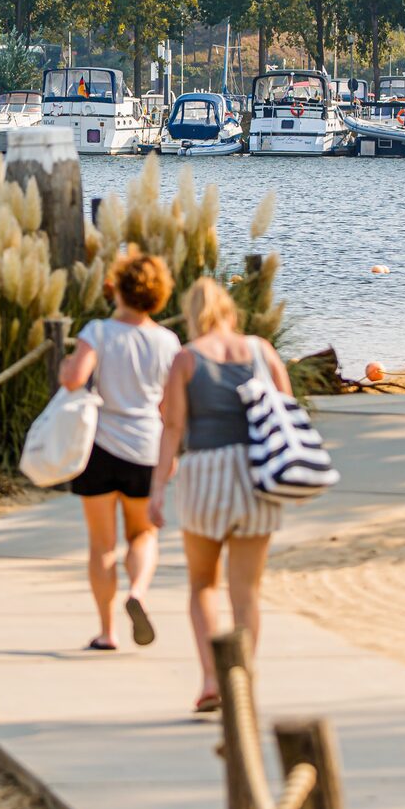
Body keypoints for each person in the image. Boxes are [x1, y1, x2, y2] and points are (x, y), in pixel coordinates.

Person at [150, 278, 291, 713]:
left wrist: (157, 490)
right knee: (245, 590)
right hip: (255, 475)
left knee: (202, 585)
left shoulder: (186, 359)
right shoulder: (262, 350)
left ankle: (212, 678)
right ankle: (243, 678)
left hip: (205, 474)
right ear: (230, 310)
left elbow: (172, 428)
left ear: (193, 316)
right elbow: (287, 409)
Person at [58, 251, 180, 652]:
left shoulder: (98, 331)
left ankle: (107, 631)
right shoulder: (167, 341)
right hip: (145, 448)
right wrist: (170, 455)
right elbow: (169, 409)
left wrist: (65, 368)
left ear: (116, 291)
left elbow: (75, 378)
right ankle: (139, 593)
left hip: (99, 449)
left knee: (102, 544)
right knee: (143, 533)